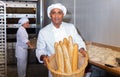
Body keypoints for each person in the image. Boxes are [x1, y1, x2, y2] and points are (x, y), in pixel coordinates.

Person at [36, 3, 86, 77]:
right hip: (55, 70)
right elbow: (40, 50)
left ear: (63, 15)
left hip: (72, 67)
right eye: (54, 13)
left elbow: (79, 41)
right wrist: (43, 57)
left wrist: (82, 49)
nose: (56, 16)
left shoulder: (71, 27)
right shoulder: (43, 32)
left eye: (59, 13)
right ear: (50, 15)